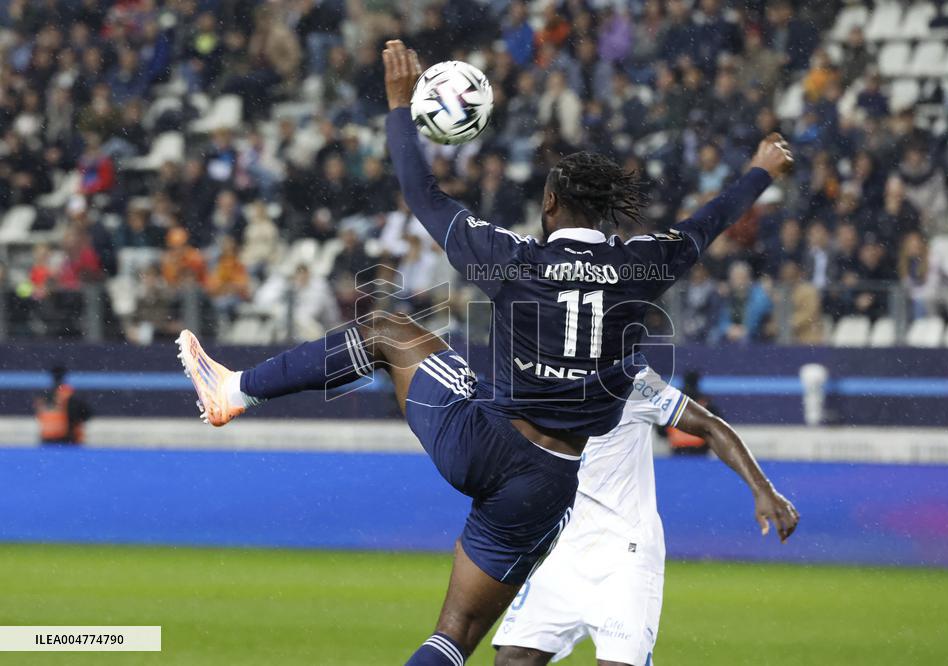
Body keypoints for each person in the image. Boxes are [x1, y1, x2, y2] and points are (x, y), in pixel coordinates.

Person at [175, 41, 793, 666]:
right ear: (610, 217)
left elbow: (423, 196)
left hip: (478, 436)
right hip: (544, 481)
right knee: (455, 636)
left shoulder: (517, 258)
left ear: (549, 206)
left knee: (387, 331)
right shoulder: (641, 266)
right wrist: (761, 169)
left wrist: (397, 106)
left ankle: (235, 391)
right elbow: (710, 221)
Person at [493, 367, 798, 666]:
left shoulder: (633, 381)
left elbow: (709, 426)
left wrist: (763, 489)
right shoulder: (541, 380)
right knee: (513, 658)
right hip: (563, 552)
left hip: (627, 556)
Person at [35, 365, 92, 445]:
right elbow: (86, 414)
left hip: (47, 440)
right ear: (64, 376)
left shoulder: (43, 395)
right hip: (67, 440)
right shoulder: (68, 395)